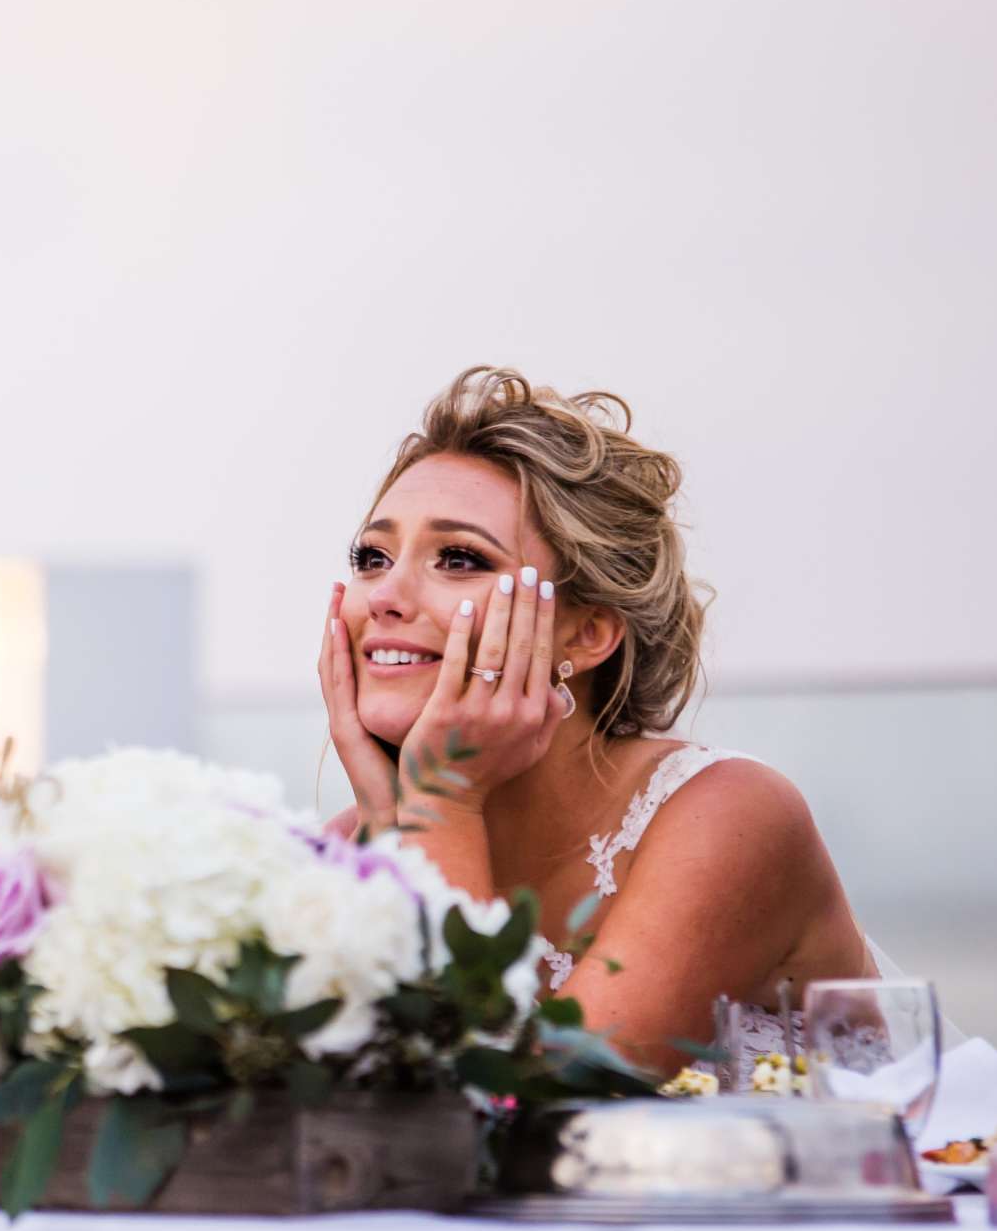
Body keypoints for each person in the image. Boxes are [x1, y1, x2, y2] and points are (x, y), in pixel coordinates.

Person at [317, 365, 870, 1071]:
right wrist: (395, 819)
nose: (384, 597)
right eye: (372, 557)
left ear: (586, 634)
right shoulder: (354, 841)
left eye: (457, 558)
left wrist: (443, 797)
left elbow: (501, 1112)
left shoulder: (729, 818)